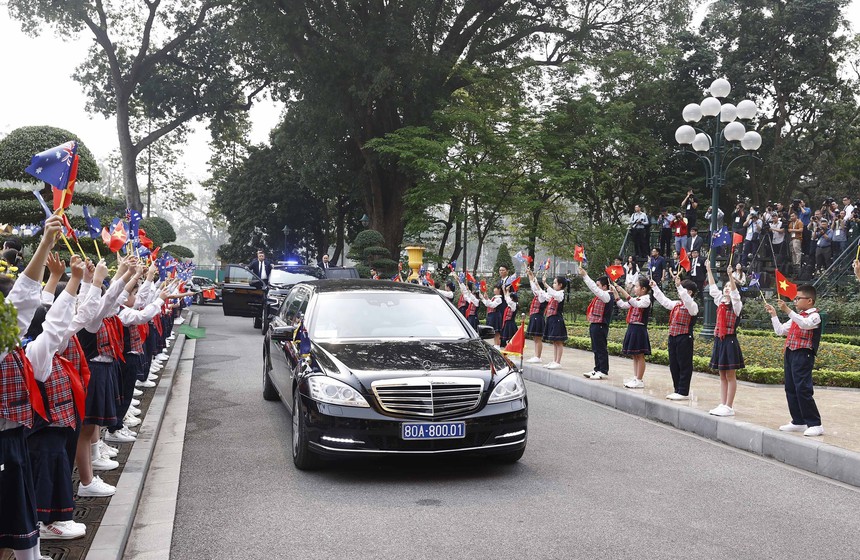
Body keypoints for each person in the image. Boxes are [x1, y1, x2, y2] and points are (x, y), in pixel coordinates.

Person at [764, 285, 824, 436]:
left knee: (803, 388)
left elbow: (805, 324)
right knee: (790, 388)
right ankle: (798, 421)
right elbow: (780, 331)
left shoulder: (815, 316)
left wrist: (787, 311)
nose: (795, 301)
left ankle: (815, 423)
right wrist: (774, 315)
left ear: (809, 300)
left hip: (803, 355)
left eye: (798, 298)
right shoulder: (797, 317)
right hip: (790, 353)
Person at [705, 260, 743, 416]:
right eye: (726, 286)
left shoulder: (736, 305)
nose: (727, 288)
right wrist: (708, 269)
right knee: (721, 373)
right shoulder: (720, 301)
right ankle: (723, 403)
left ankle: (729, 405)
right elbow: (713, 288)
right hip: (719, 339)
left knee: (730, 374)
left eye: (729, 286)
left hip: (730, 340)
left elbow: (735, 295)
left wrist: (730, 276)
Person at [651, 274, 698, 400]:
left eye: (682, 289)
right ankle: (677, 389)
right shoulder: (677, 304)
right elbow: (665, 301)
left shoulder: (692, 306)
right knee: (674, 364)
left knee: (684, 364)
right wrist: (655, 287)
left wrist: (679, 287)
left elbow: (687, 301)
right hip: (673, 336)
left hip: (684, 337)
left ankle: (683, 391)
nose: (679, 291)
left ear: (689, 292)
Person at [610, 277, 652, 389]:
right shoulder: (636, 299)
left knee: (640, 354)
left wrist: (623, 291)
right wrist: (615, 293)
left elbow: (634, 303)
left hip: (639, 329)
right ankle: (635, 377)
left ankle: (639, 379)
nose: (635, 289)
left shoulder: (646, 299)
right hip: (632, 327)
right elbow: (623, 305)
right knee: (635, 355)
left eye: (637, 286)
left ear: (643, 289)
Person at [578, 267, 614, 380]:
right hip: (595, 324)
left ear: (605, 286)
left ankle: (603, 370)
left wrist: (585, 276)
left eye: (599, 285)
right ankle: (597, 368)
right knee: (595, 348)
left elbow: (594, 288)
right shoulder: (601, 295)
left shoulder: (607, 296)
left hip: (601, 325)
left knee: (601, 348)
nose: (597, 288)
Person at [541, 276, 568, 369]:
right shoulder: (554, 295)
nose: (553, 284)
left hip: (557, 319)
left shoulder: (560, 294)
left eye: (555, 283)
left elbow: (553, 293)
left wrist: (545, 284)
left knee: (559, 341)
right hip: (552, 319)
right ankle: (554, 360)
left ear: (560, 285)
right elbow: (545, 295)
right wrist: (536, 283)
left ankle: (558, 362)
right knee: (555, 341)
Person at [525, 268, 549, 363]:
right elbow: (532, 284)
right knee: (535, 337)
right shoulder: (537, 294)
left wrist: (535, 280)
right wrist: (529, 274)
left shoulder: (543, 295)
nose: (535, 287)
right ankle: (536, 355)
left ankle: (538, 356)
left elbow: (536, 286)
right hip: (534, 316)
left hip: (538, 317)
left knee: (538, 337)